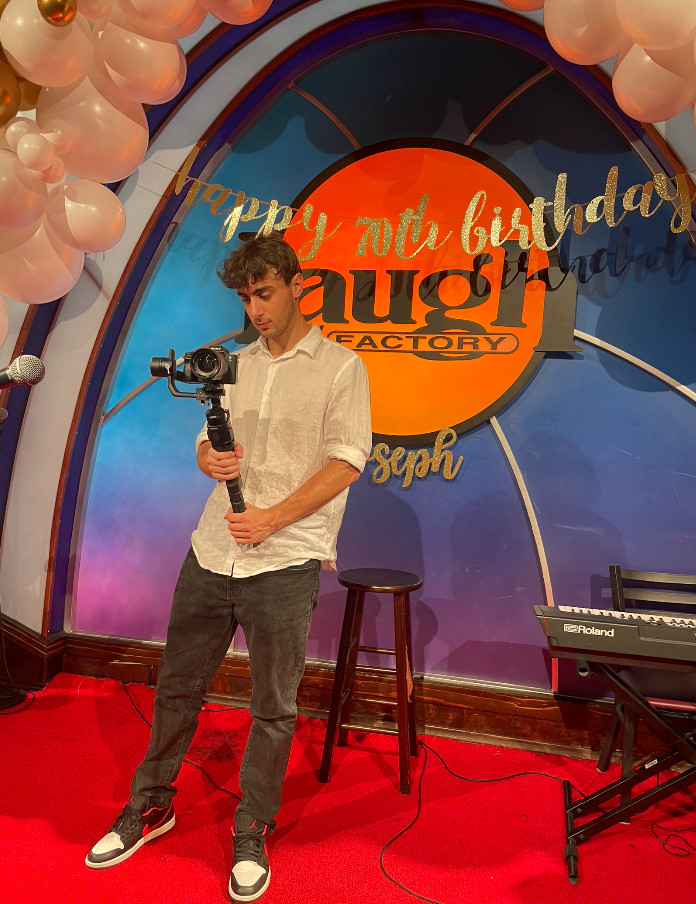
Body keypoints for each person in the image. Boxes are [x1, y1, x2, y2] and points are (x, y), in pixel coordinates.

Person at [85, 233, 372, 902]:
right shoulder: (232, 363)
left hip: (285, 558)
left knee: (273, 706)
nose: (255, 309)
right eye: (245, 298)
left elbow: (347, 461)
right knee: (176, 688)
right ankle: (151, 804)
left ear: (297, 285)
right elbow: (205, 438)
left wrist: (273, 519)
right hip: (212, 550)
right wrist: (205, 458)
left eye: (264, 293)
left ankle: (252, 826)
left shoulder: (341, 367)